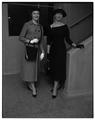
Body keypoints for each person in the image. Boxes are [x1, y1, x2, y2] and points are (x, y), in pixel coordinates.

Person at [47, 8, 84, 98]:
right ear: (54, 15)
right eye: (57, 14)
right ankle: (58, 84)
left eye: (61, 14)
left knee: (59, 67)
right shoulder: (50, 26)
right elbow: (48, 41)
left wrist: (75, 45)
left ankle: (55, 88)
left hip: (61, 50)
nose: (59, 15)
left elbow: (68, 39)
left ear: (62, 16)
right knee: (54, 67)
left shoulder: (64, 26)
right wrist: (48, 54)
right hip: (53, 50)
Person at [19, 8, 45, 97]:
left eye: (38, 13)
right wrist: (29, 41)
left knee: (34, 69)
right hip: (29, 49)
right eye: (34, 13)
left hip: (37, 50)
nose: (36, 15)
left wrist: (42, 51)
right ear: (31, 15)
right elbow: (21, 37)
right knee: (29, 68)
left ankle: (29, 82)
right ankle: (33, 87)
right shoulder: (27, 24)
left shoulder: (40, 26)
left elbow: (41, 40)